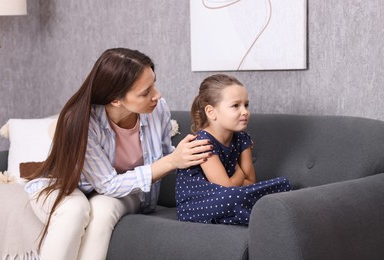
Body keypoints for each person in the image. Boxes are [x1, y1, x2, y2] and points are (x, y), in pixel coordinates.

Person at [24, 48, 213, 260]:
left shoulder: (157, 109)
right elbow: (107, 183)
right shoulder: (80, 122)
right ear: (116, 100)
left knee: (102, 210)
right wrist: (172, 161)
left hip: (114, 192)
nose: (157, 95)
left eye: (154, 84)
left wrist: (187, 156)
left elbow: (163, 155)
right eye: (146, 92)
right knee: (74, 211)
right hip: (65, 185)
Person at [176, 74, 291, 225]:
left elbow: (251, 182)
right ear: (211, 112)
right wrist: (239, 171)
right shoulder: (203, 142)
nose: (245, 111)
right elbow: (225, 187)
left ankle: (247, 215)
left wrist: (238, 179)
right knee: (233, 197)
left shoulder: (242, 138)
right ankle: (264, 217)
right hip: (197, 203)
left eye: (246, 105)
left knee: (283, 184)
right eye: (235, 106)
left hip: (230, 195)